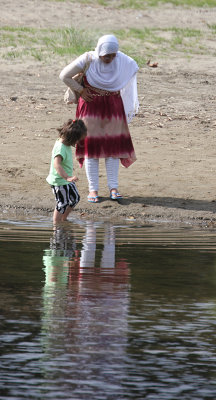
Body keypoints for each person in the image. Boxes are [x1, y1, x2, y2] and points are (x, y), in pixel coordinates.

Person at [59, 34, 139, 203]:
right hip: (90, 107)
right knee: (91, 149)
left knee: (113, 149)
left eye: (113, 55)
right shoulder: (88, 58)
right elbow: (64, 75)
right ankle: (93, 189)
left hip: (113, 107)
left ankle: (113, 188)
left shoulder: (122, 60)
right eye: (106, 55)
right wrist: (80, 90)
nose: (110, 59)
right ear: (99, 52)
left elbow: (133, 68)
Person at [46, 119, 87, 224]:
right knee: (62, 203)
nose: (78, 143)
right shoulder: (60, 147)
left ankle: (63, 218)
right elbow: (57, 164)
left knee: (75, 198)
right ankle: (56, 224)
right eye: (78, 140)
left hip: (66, 179)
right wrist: (67, 177)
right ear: (72, 137)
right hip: (59, 181)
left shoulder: (65, 142)